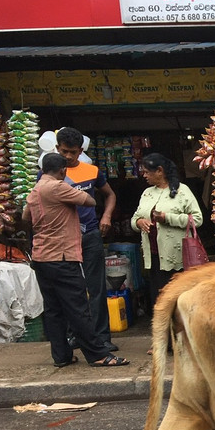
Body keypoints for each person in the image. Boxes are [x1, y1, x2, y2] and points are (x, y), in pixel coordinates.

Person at [26, 153, 130, 368]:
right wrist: (71, 192)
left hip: (41, 257)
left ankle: (61, 356)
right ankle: (98, 354)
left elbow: (26, 216)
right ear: (63, 170)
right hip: (62, 255)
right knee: (78, 307)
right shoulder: (57, 187)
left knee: (54, 309)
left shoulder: (35, 190)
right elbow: (89, 201)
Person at [54, 127, 119, 352]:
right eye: (64, 152)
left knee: (97, 288)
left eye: (73, 152)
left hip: (90, 234)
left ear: (81, 150)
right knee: (72, 289)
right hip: (62, 238)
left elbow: (110, 194)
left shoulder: (91, 171)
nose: (69, 157)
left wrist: (107, 215)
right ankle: (75, 336)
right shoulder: (48, 174)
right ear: (56, 149)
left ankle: (102, 338)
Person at [131, 153, 203, 307]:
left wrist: (168, 218)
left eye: (146, 172)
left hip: (178, 257)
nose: (144, 175)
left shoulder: (182, 191)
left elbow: (197, 219)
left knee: (178, 300)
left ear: (159, 171)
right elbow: (134, 218)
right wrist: (139, 222)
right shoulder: (147, 193)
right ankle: (163, 331)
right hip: (154, 257)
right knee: (159, 301)